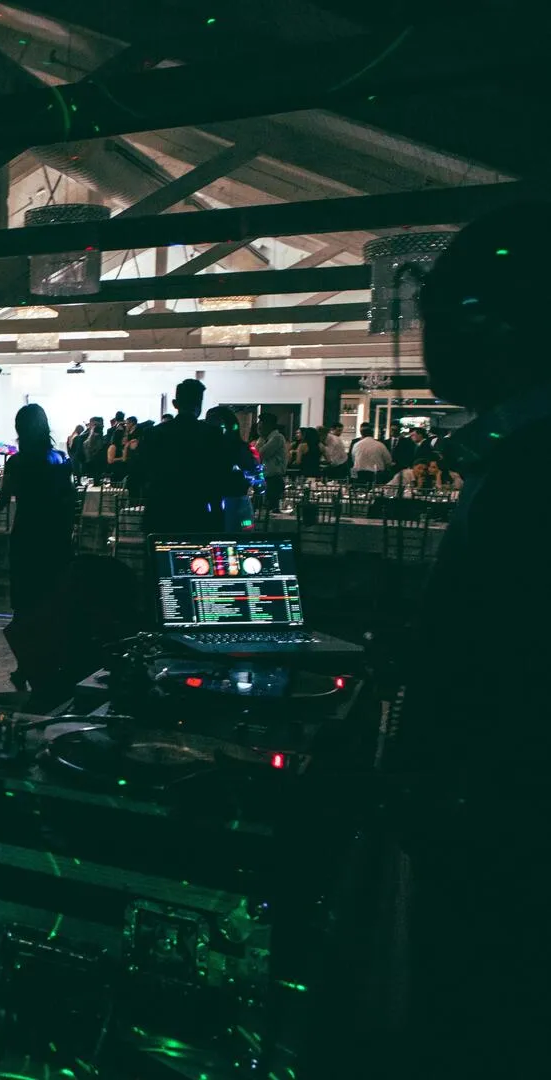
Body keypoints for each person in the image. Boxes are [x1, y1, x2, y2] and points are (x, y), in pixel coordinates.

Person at [391, 204, 551, 1079]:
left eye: (439, 315)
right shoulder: (509, 453)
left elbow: (502, 670)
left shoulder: (533, 471)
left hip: (500, 838)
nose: (427, 340)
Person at [0, 404, 75, 650]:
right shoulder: (60, 459)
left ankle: (25, 659)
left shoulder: (17, 463)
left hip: (27, 534)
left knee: (24, 602)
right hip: (55, 537)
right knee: (52, 597)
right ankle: (50, 653)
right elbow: (70, 501)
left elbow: (2, 501)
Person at [135, 379, 228, 535]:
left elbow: (140, 470)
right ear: (199, 404)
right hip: (198, 512)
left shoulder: (154, 433)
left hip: (160, 510)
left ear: (175, 404)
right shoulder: (213, 434)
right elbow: (220, 476)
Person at [205, 406, 261, 531]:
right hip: (237, 503)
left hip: (224, 503)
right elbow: (257, 480)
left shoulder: (205, 449)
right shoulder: (243, 448)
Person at [256, 413, 289, 511]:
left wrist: (261, 438)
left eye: (261, 424)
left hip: (273, 480)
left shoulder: (277, 438)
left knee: (270, 511)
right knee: (262, 509)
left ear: (268, 425)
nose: (258, 427)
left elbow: (261, 454)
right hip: (266, 479)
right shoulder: (267, 438)